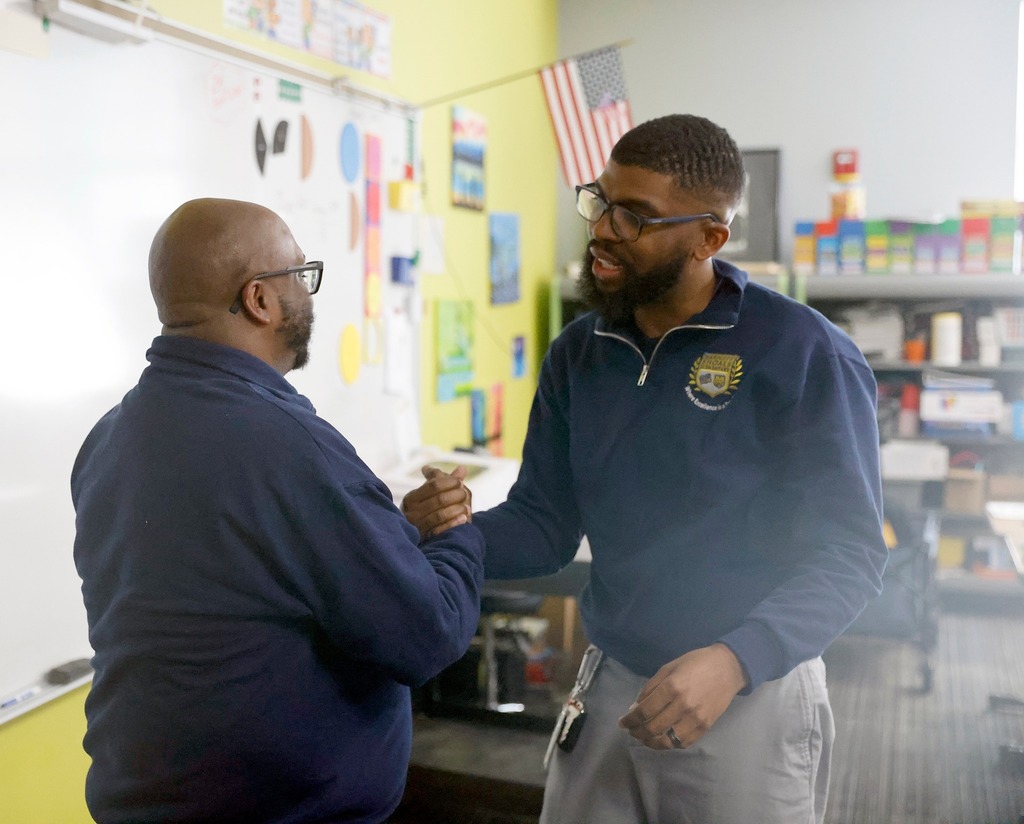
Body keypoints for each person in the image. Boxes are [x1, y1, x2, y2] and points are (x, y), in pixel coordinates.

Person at [402, 114, 888, 823]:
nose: (602, 229)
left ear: (710, 238)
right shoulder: (580, 352)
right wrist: (447, 535)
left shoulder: (804, 353)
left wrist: (735, 660)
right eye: (600, 202)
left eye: (636, 217)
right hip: (612, 684)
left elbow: (850, 556)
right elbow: (545, 522)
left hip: (749, 691)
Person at [70, 198, 482, 824]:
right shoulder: (289, 447)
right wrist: (455, 534)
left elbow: (241, 577)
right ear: (260, 299)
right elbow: (427, 633)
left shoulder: (109, 438)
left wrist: (395, 533)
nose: (308, 294)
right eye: (301, 274)